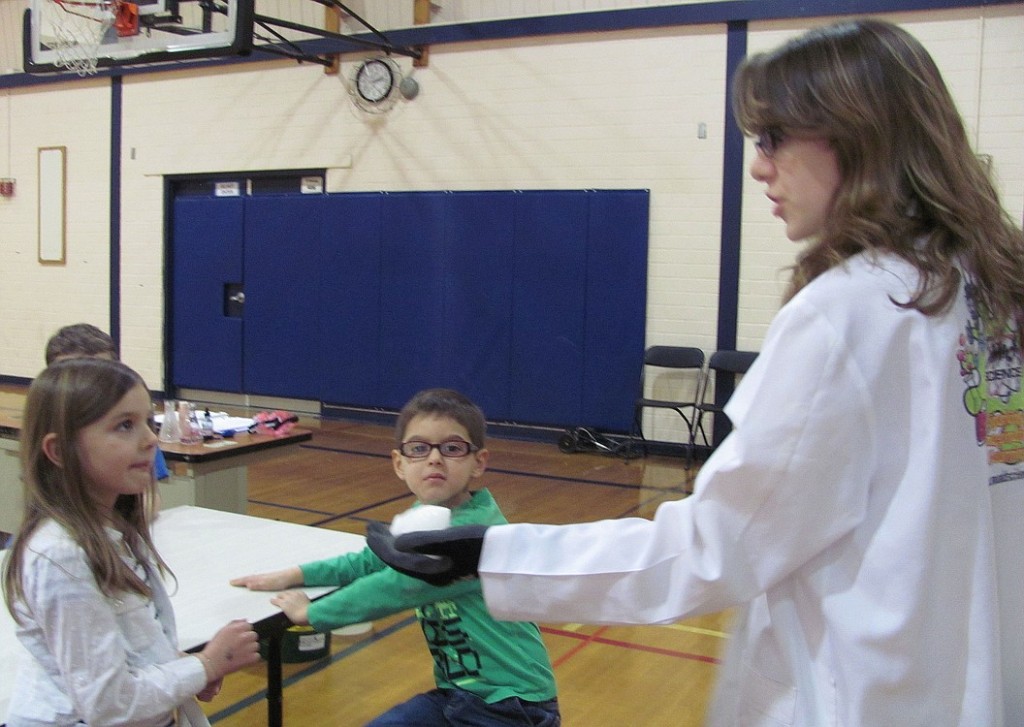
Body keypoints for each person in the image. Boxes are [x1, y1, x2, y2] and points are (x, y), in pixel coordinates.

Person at [367, 19, 1024, 727]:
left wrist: (489, 555)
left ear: (856, 135)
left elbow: (719, 544)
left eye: (775, 138)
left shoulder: (850, 310)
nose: (759, 167)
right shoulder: (995, 288)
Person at [231, 388, 560, 726]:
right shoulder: (427, 516)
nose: (434, 458)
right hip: (460, 694)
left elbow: (398, 585)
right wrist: (295, 575)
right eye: (419, 448)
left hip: (510, 706)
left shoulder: (472, 535)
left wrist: (312, 612)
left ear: (479, 462)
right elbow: (372, 561)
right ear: (399, 464)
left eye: (452, 448)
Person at [1, 358, 261, 727]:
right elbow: (108, 705)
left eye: (149, 423)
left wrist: (181, 670)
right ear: (59, 451)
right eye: (125, 426)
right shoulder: (60, 554)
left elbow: (131, 644)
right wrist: (204, 665)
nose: (151, 439)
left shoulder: (115, 527)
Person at [45, 322, 170, 482]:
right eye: (76, 378)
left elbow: (147, 494)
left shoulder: (137, 429)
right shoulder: (45, 432)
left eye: (103, 376)